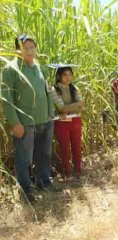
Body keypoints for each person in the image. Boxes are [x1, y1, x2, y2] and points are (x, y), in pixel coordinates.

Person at [1, 34, 56, 204]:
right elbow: (6, 99)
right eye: (25, 47)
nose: (29, 51)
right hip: (25, 124)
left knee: (44, 155)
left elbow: (47, 92)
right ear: (18, 50)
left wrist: (50, 114)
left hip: (44, 121)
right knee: (24, 159)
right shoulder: (11, 69)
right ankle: (26, 191)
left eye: (32, 47)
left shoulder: (39, 68)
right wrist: (15, 122)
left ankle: (44, 182)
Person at [49, 64, 83, 181]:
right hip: (61, 122)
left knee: (77, 147)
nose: (68, 77)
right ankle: (67, 173)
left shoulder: (75, 88)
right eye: (65, 75)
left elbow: (81, 106)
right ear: (59, 76)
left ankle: (78, 171)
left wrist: (66, 109)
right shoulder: (54, 90)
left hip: (76, 120)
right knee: (64, 148)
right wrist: (70, 107)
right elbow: (61, 107)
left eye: (70, 75)